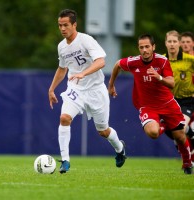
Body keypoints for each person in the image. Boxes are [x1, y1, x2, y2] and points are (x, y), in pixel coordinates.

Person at [48, 9, 126, 174]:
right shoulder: (61, 46)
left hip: (96, 90)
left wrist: (83, 73)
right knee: (64, 118)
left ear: (74, 25)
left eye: (66, 25)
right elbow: (62, 69)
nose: (62, 29)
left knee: (103, 131)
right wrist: (51, 88)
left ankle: (120, 149)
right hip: (75, 89)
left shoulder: (86, 40)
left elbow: (101, 62)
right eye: (60, 25)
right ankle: (65, 161)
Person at [108, 34, 192, 174]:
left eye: (147, 46)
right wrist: (111, 85)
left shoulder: (162, 61)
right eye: (141, 47)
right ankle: (164, 125)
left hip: (168, 104)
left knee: (180, 136)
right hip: (147, 106)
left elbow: (171, 83)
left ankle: (187, 163)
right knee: (153, 132)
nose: (145, 50)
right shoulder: (134, 62)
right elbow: (117, 65)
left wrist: (159, 77)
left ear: (153, 47)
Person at [164, 30, 194, 164]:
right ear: (165, 43)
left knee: (180, 128)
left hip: (186, 101)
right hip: (169, 102)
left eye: (174, 41)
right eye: (169, 41)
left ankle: (188, 160)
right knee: (174, 133)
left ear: (179, 44)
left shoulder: (189, 60)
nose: (172, 44)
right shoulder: (162, 60)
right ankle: (189, 153)